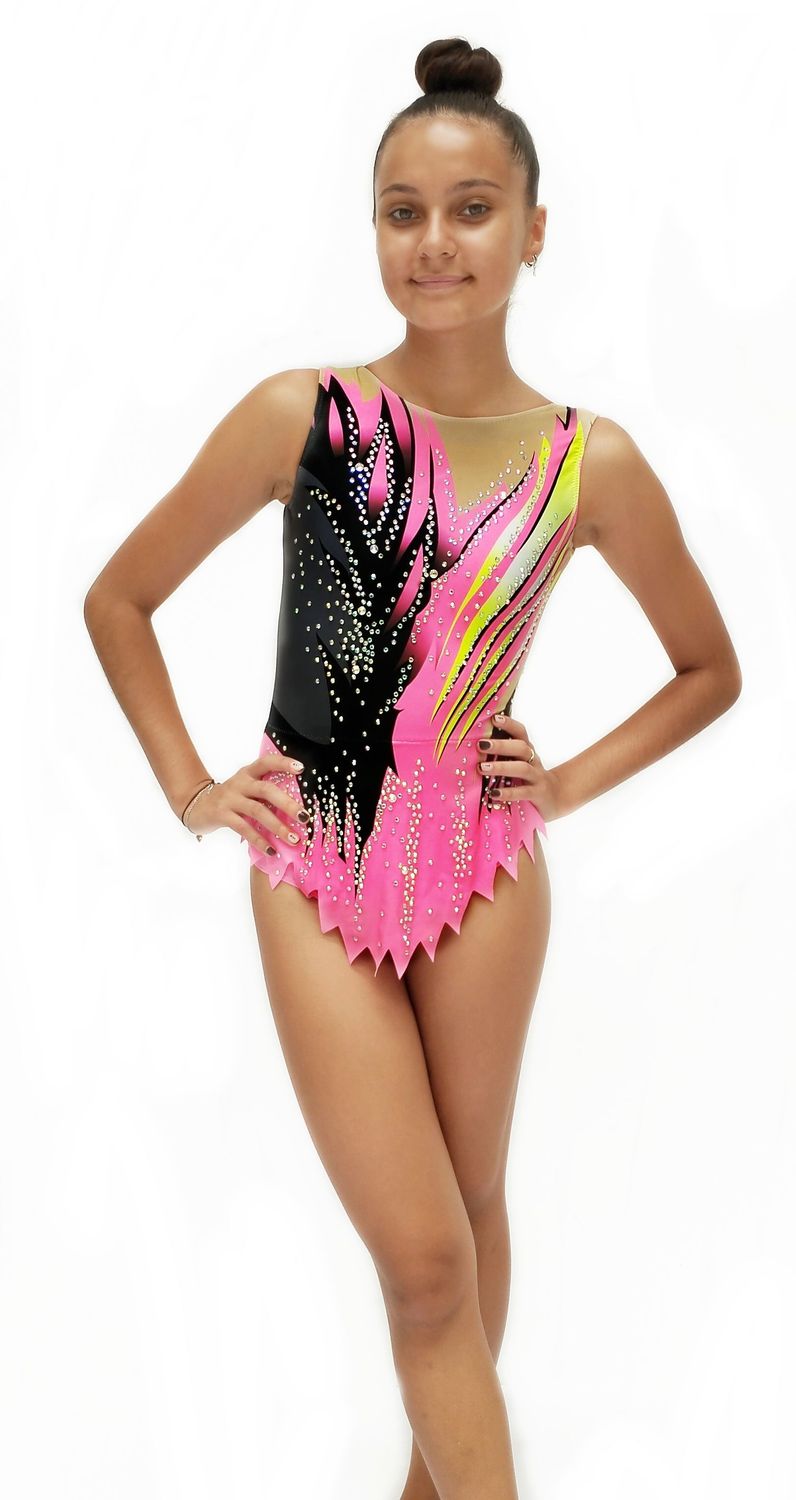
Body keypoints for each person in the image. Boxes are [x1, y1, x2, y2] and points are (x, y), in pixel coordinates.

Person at [83, 35, 742, 1500]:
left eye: (471, 208)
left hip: (484, 870)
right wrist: (193, 788)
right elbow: (118, 599)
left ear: (534, 231)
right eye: (403, 211)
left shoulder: (590, 462)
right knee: (426, 1262)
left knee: (472, 1207)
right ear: (373, 228)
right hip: (312, 852)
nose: (435, 241)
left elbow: (713, 670)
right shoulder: (302, 416)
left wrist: (563, 783)